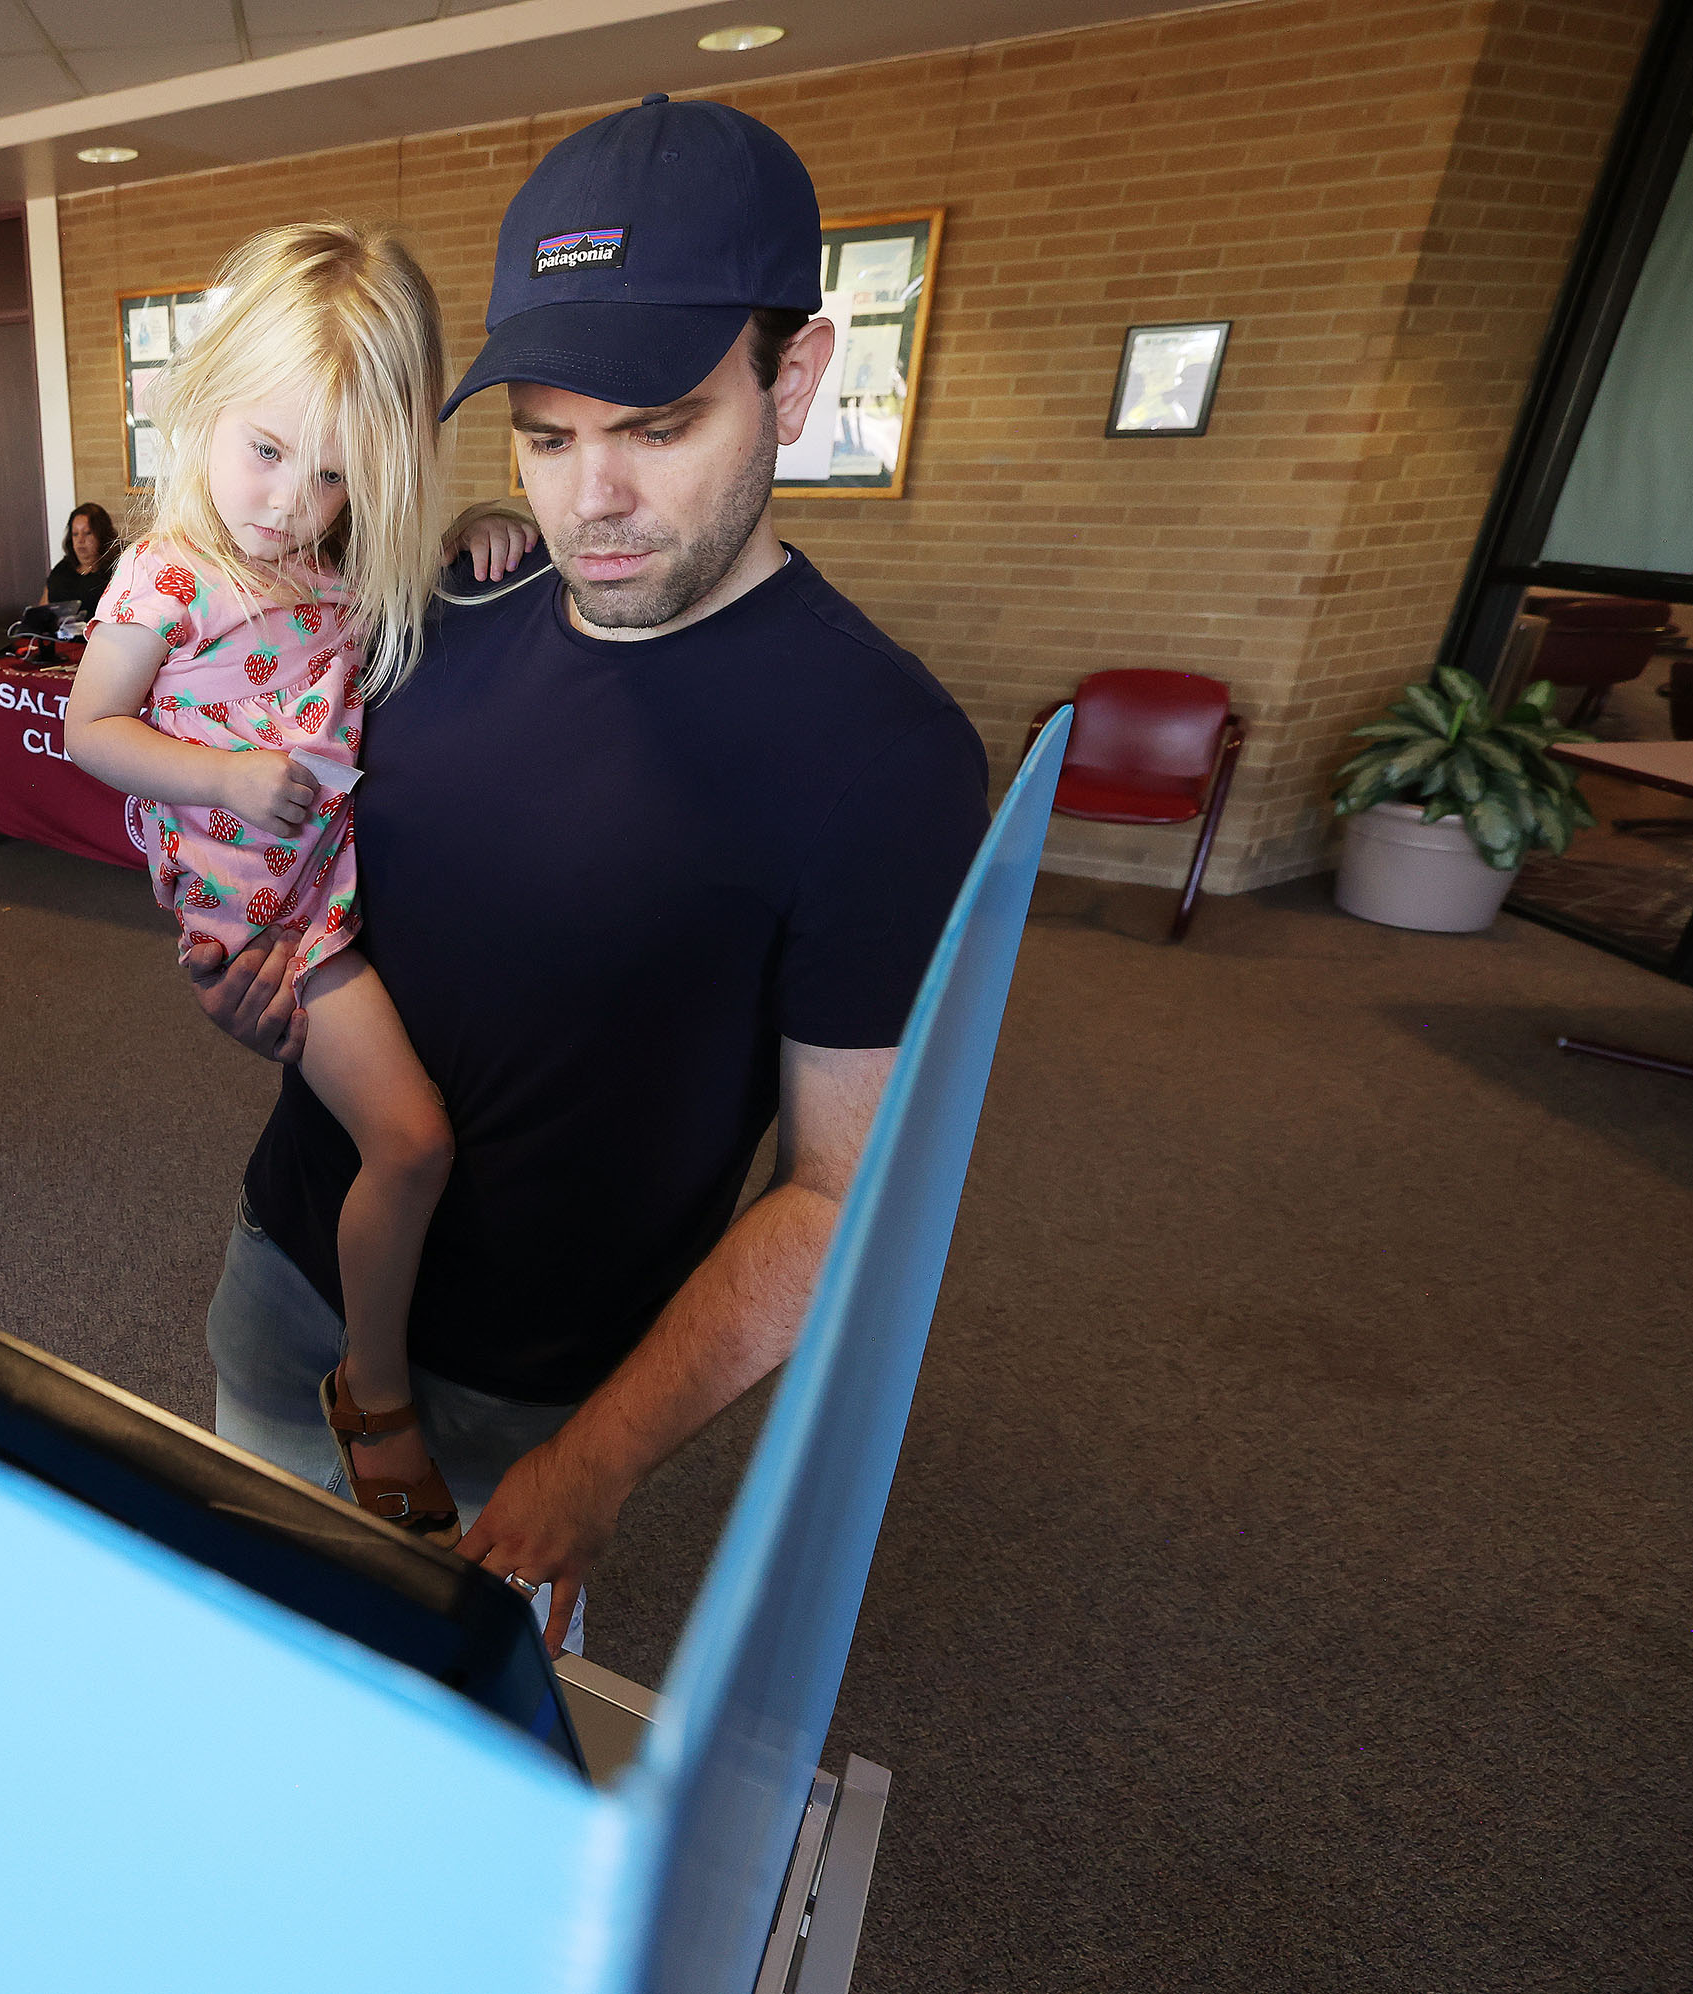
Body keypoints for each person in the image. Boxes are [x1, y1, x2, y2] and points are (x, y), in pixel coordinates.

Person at [183, 96, 991, 1650]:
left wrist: (601, 1458)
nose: (590, 501)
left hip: (527, 1394)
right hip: (290, 1272)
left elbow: (843, 1191)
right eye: (547, 438)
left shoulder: (882, 753)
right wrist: (260, 994)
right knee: (246, 1666)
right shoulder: (437, 625)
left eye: (658, 427)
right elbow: (325, 916)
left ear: (796, 380)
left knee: (448, 1782)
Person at [64, 221, 468, 1539]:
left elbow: (399, 585)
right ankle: (377, 1384)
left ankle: (373, 1364)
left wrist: (492, 527)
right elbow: (90, 730)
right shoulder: (166, 571)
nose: (292, 498)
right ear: (207, 406)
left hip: (335, 885)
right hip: (267, 924)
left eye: (335, 475)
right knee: (412, 1141)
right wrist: (224, 779)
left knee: (414, 1133)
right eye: (268, 449)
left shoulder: (324, 564)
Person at [40, 503, 123, 620]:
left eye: (87, 533)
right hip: (61, 637)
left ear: (101, 535)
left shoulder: (118, 570)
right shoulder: (62, 570)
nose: (80, 540)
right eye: (75, 534)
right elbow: (42, 610)